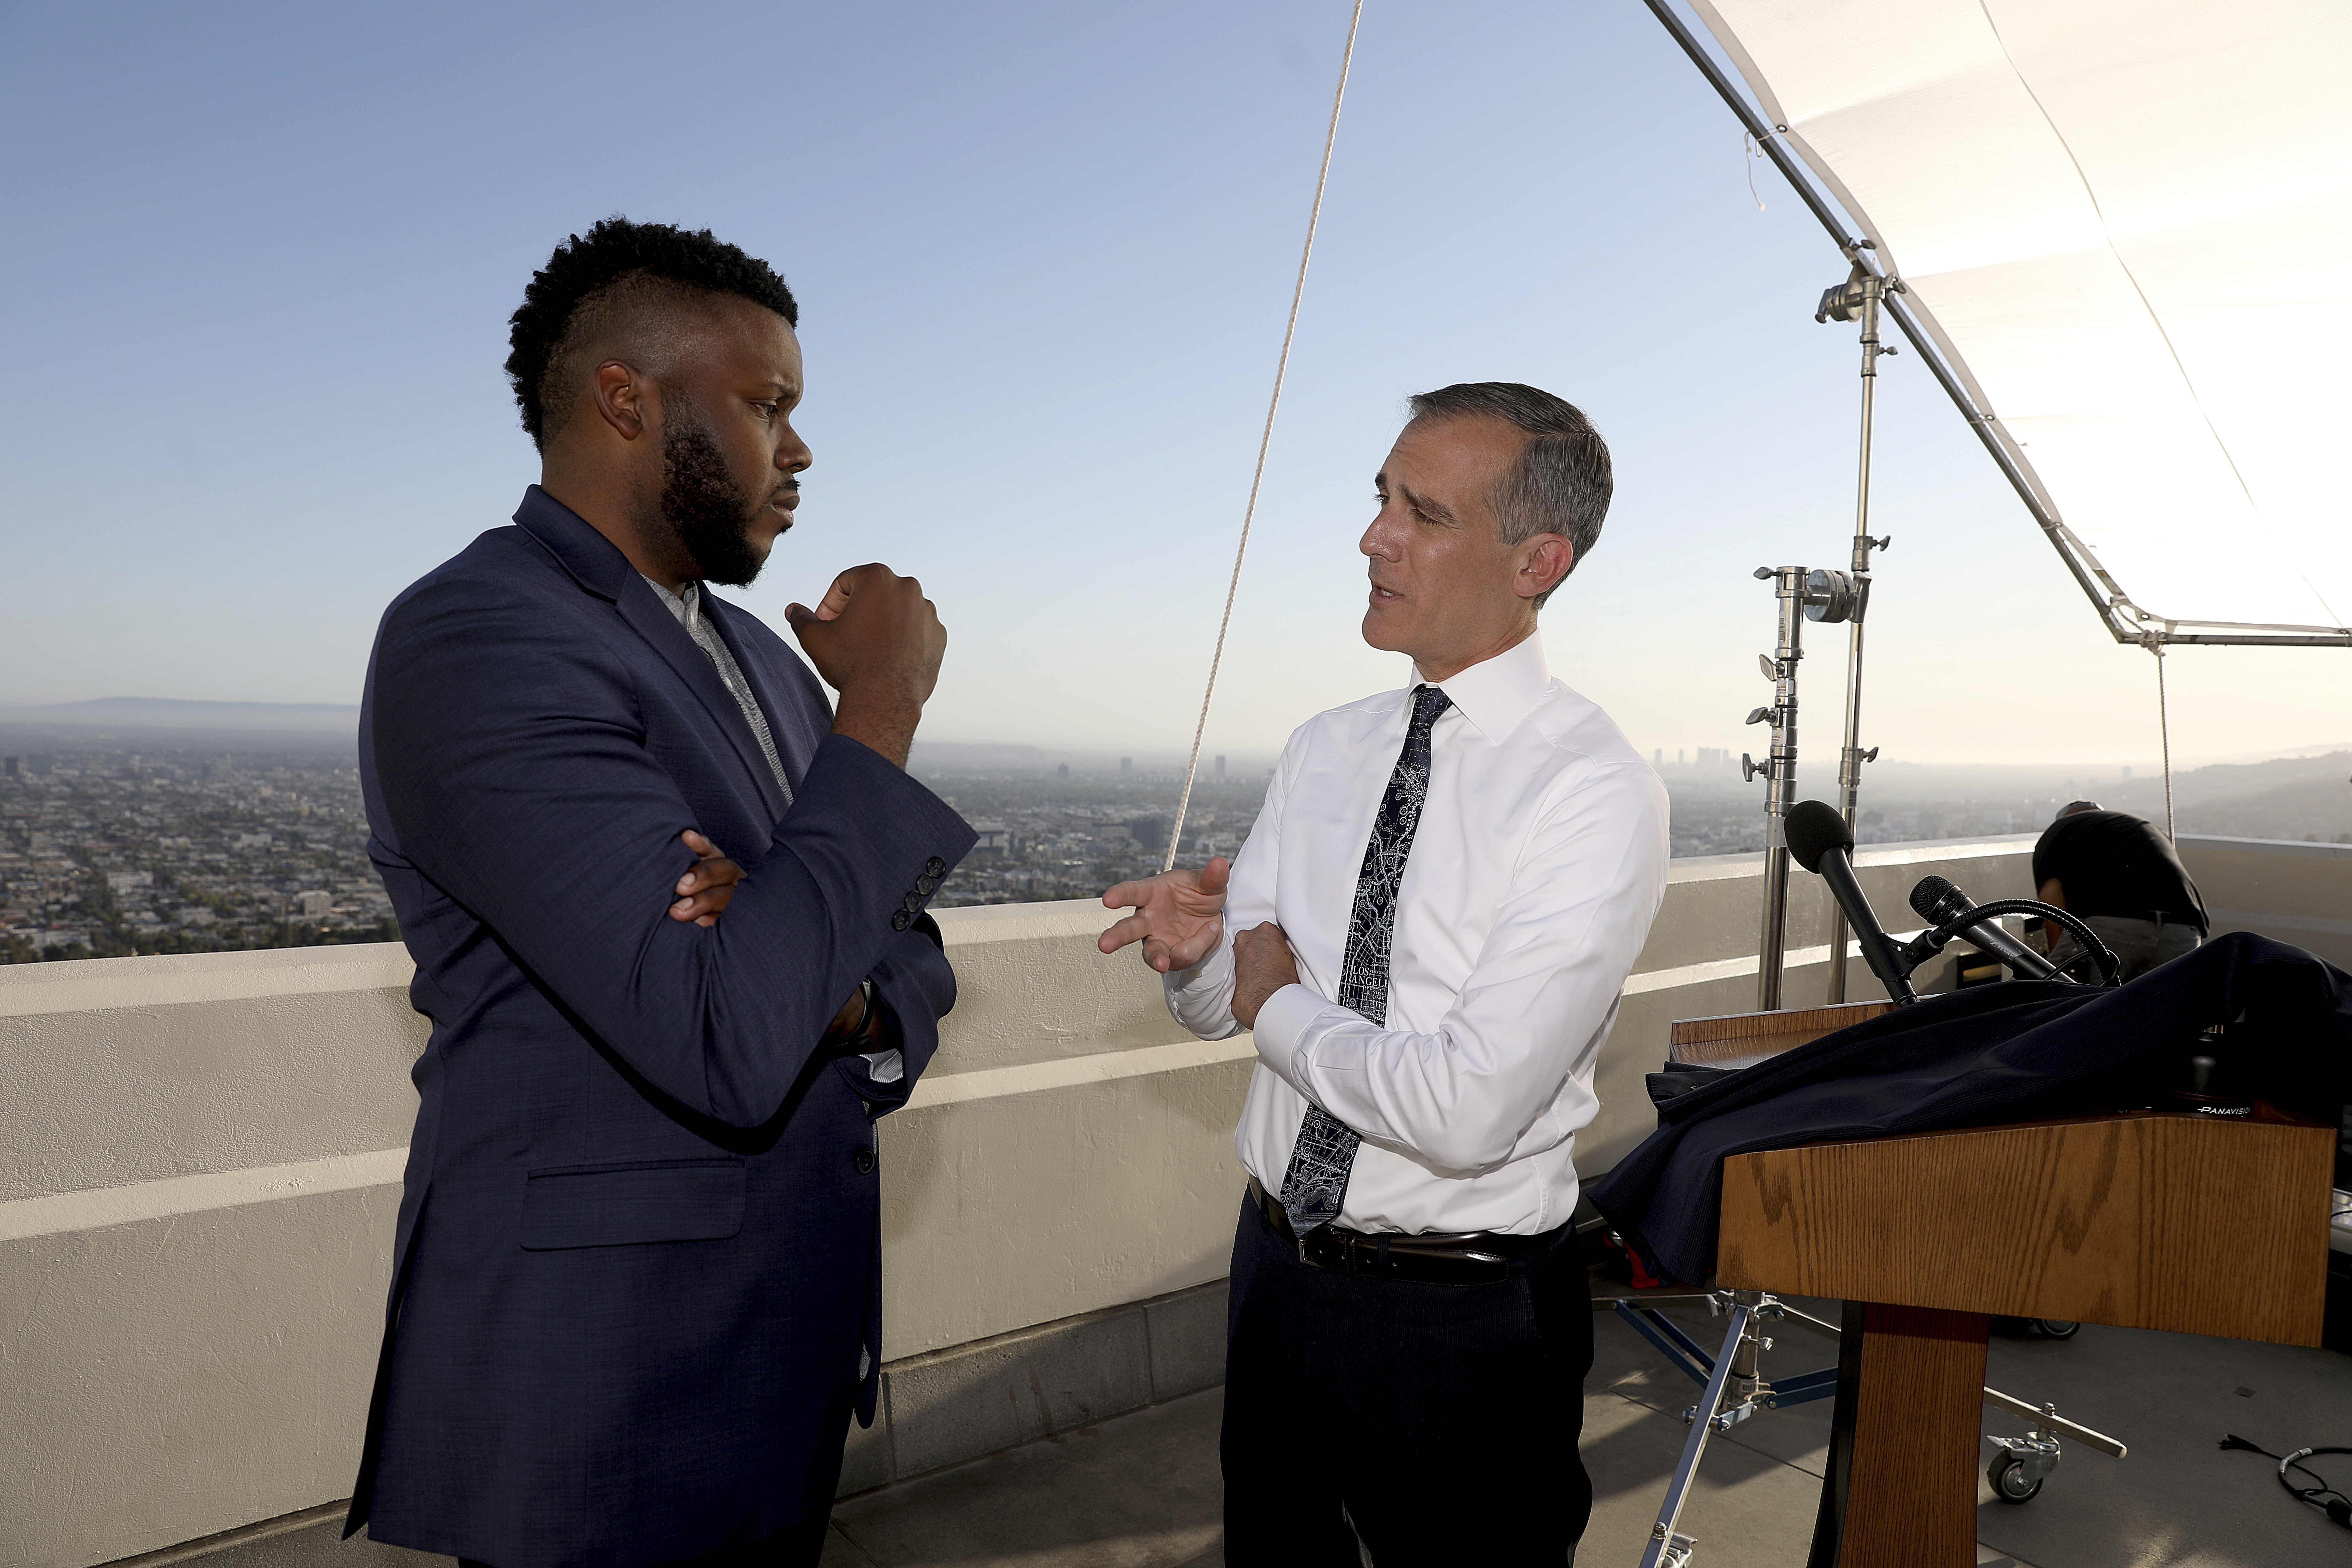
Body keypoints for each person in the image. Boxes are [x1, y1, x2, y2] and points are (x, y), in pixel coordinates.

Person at [345, 218, 975, 1568]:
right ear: (623, 399)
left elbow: (902, 947)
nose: (798, 450)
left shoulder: (750, 651)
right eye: (765, 406)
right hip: (602, 1406)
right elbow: (723, 1029)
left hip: (776, 1364)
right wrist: (880, 703)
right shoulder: (481, 633)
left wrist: (837, 983)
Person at [1100, 383, 1669, 1564]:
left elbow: (1464, 1112)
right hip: (1272, 1274)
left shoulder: (1593, 789)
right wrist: (1203, 963)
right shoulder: (1326, 748)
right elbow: (1233, 1005)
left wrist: (1277, 1003)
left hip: (1462, 1324)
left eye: (1425, 512)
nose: (1374, 537)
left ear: (1538, 561)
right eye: (1380, 499)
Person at [2032, 800, 2207, 980]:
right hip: (2184, 933)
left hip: (2112, 930)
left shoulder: (2060, 830)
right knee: (2155, 1007)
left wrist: (2055, 962)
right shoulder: (2143, 826)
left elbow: (2052, 902)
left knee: (2064, 999)